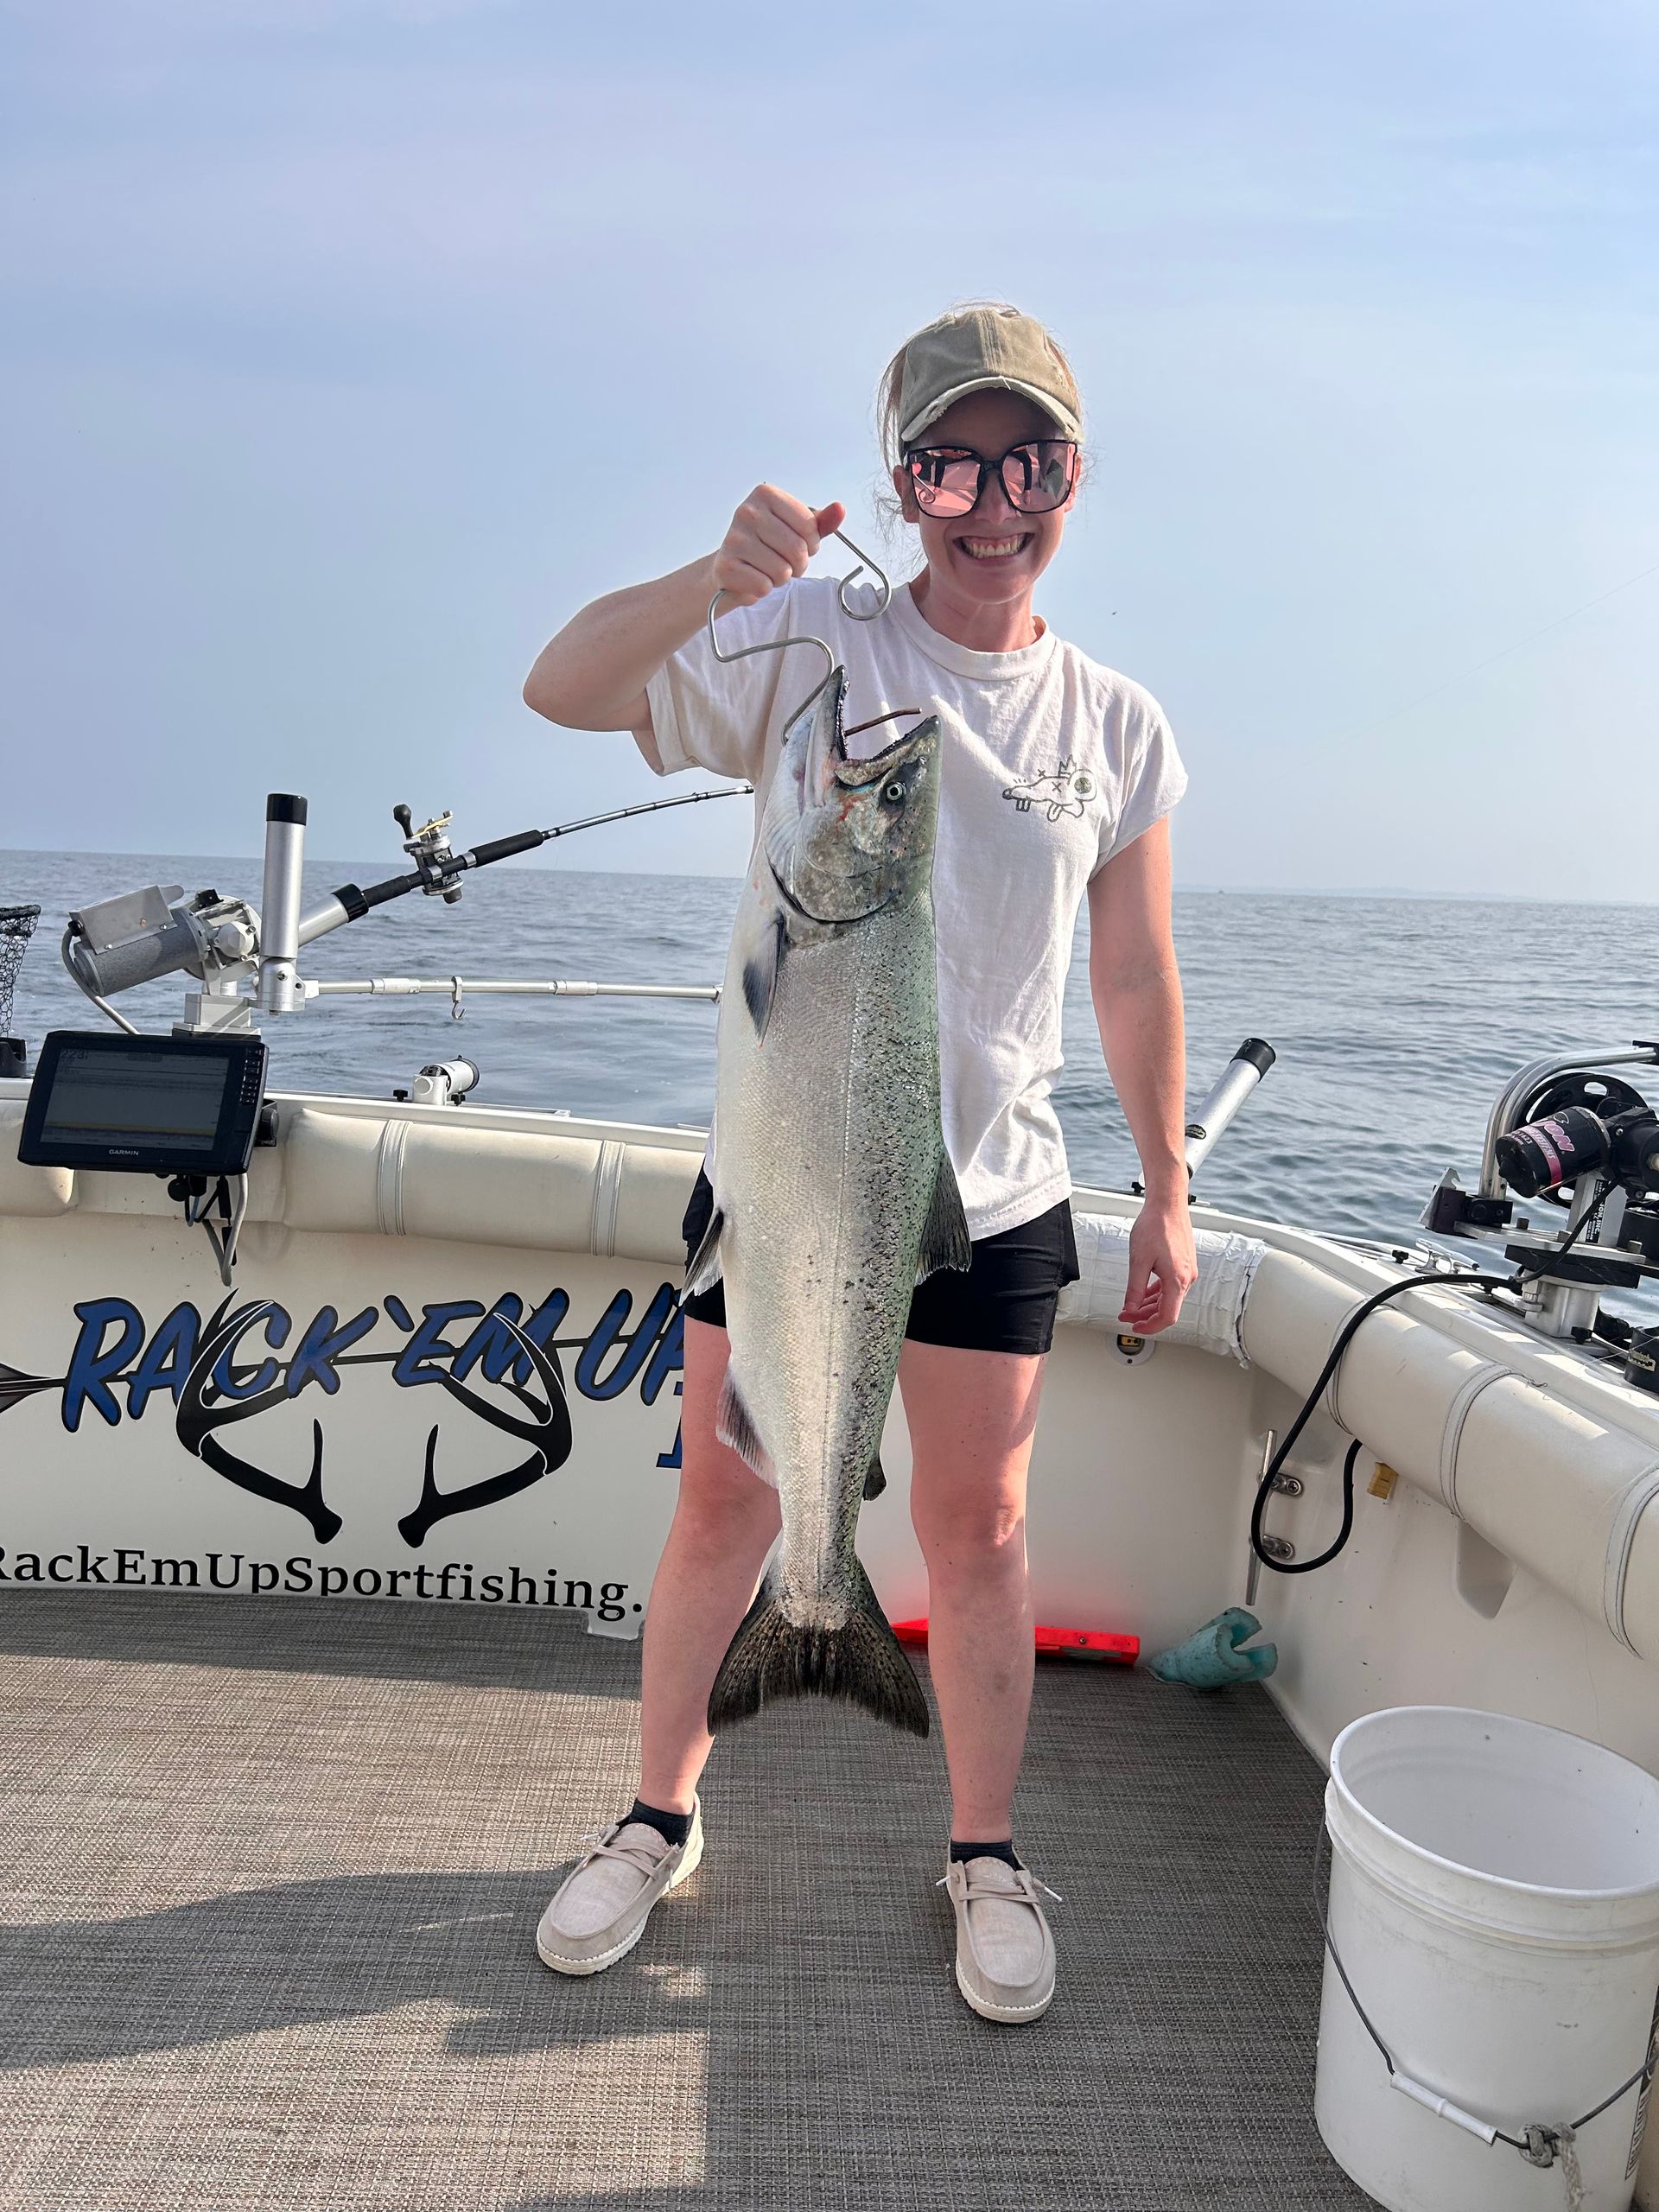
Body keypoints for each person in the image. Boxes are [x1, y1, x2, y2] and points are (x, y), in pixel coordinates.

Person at [521, 302, 1198, 2023]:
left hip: (994, 1187)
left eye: (1025, 456)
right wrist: (709, 574)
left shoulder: (1113, 721)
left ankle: (983, 1849)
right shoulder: (811, 634)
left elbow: (1131, 971)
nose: (989, 497)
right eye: (948, 460)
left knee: (979, 1527)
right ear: (902, 480)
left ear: (1072, 470)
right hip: (785, 1173)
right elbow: (563, 686)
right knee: (727, 1498)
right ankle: (655, 1810)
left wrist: (1170, 1186)